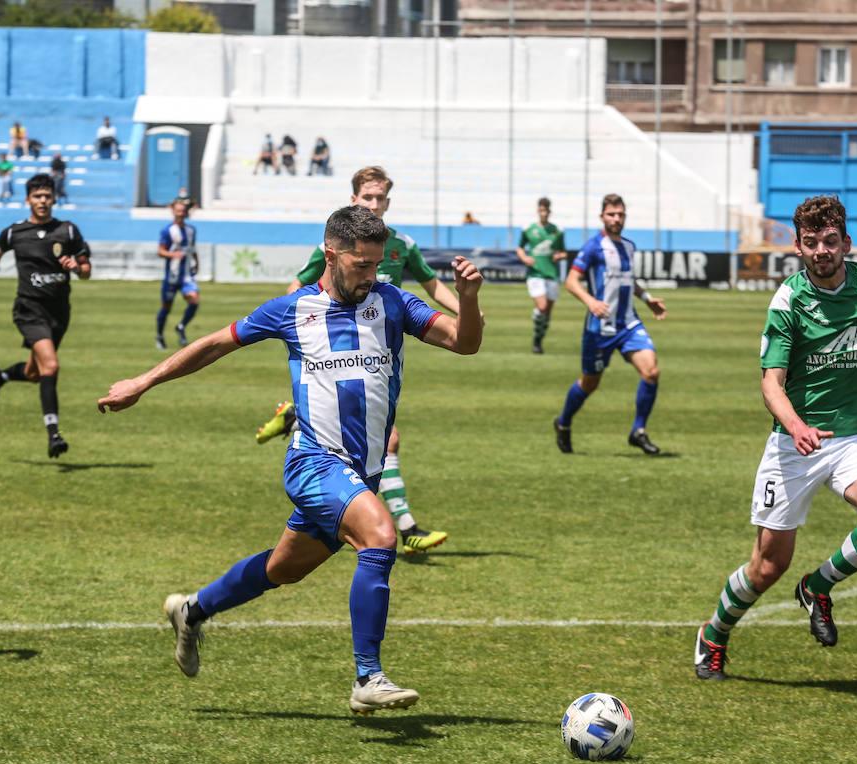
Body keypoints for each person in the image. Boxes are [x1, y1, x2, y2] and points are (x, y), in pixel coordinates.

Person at [97, 205, 484, 713]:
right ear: (332, 254)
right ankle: (368, 678)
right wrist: (142, 382)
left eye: (376, 265)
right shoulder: (293, 310)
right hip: (315, 462)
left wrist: (470, 300)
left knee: (282, 569)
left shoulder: (392, 302)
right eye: (361, 265)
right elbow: (215, 344)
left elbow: (465, 343)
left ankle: (192, 610)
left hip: (358, 473)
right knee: (382, 537)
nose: (372, 276)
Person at [693, 195, 857, 681]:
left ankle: (818, 586)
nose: (821, 251)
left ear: (846, 243)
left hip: (853, 438)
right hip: (795, 445)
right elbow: (771, 382)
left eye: (830, 241)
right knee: (768, 568)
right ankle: (715, 633)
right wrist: (796, 426)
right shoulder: (789, 302)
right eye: (811, 243)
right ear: (797, 246)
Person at [266, 165, 470, 556]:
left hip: (382, 348)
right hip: (337, 353)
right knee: (388, 439)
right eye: (367, 198)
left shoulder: (402, 245)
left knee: (382, 441)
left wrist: (465, 309)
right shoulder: (335, 247)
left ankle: (291, 417)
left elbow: (432, 284)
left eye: (381, 199)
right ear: (354, 199)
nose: (375, 204)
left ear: (388, 202)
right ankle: (405, 527)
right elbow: (298, 287)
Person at [0, 174, 91, 459]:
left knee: (34, 373)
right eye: (37, 196)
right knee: (50, 367)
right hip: (29, 310)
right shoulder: (14, 232)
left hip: (59, 313)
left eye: (47, 196)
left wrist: (76, 267)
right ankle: (54, 434)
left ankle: (0, 376)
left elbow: (87, 270)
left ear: (54, 198)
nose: (43, 201)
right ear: (28, 199)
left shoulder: (67, 231)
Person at [553, 193, 667, 456]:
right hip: (600, 328)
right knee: (589, 383)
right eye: (611, 214)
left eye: (620, 214)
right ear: (602, 217)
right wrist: (590, 301)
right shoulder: (593, 247)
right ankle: (564, 423)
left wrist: (647, 298)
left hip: (628, 324)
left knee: (651, 372)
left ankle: (638, 431)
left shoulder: (629, 246)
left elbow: (628, 280)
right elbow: (571, 281)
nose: (616, 219)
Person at [516, 197, 568, 354]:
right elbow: (519, 248)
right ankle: (537, 320)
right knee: (542, 307)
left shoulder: (557, 231)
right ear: (538, 211)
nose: (544, 213)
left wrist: (559, 256)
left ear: (549, 211)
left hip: (551, 274)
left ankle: (538, 340)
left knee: (547, 314)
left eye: (546, 210)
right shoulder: (529, 229)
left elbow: (564, 252)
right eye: (542, 210)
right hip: (535, 274)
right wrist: (525, 258)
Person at [155, 197, 199, 350]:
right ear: (173, 211)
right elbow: (160, 251)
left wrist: (196, 262)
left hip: (187, 276)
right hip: (172, 277)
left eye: (183, 211)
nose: (181, 213)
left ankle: (181, 326)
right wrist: (172, 255)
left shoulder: (191, 230)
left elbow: (192, 248)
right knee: (166, 309)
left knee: (194, 300)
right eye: (178, 211)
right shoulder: (167, 231)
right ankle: (159, 336)